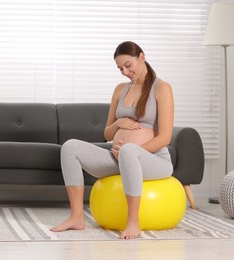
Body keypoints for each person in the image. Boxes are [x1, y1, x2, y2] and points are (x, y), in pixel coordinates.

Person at [50, 41, 174, 240]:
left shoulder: (162, 88)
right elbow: (107, 134)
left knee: (129, 151)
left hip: (154, 161)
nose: (125, 72)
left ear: (141, 57)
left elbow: (165, 137)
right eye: (120, 68)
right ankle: (76, 217)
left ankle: (133, 222)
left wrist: (134, 152)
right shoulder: (120, 89)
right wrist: (120, 123)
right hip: (119, 158)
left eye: (128, 65)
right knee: (70, 147)